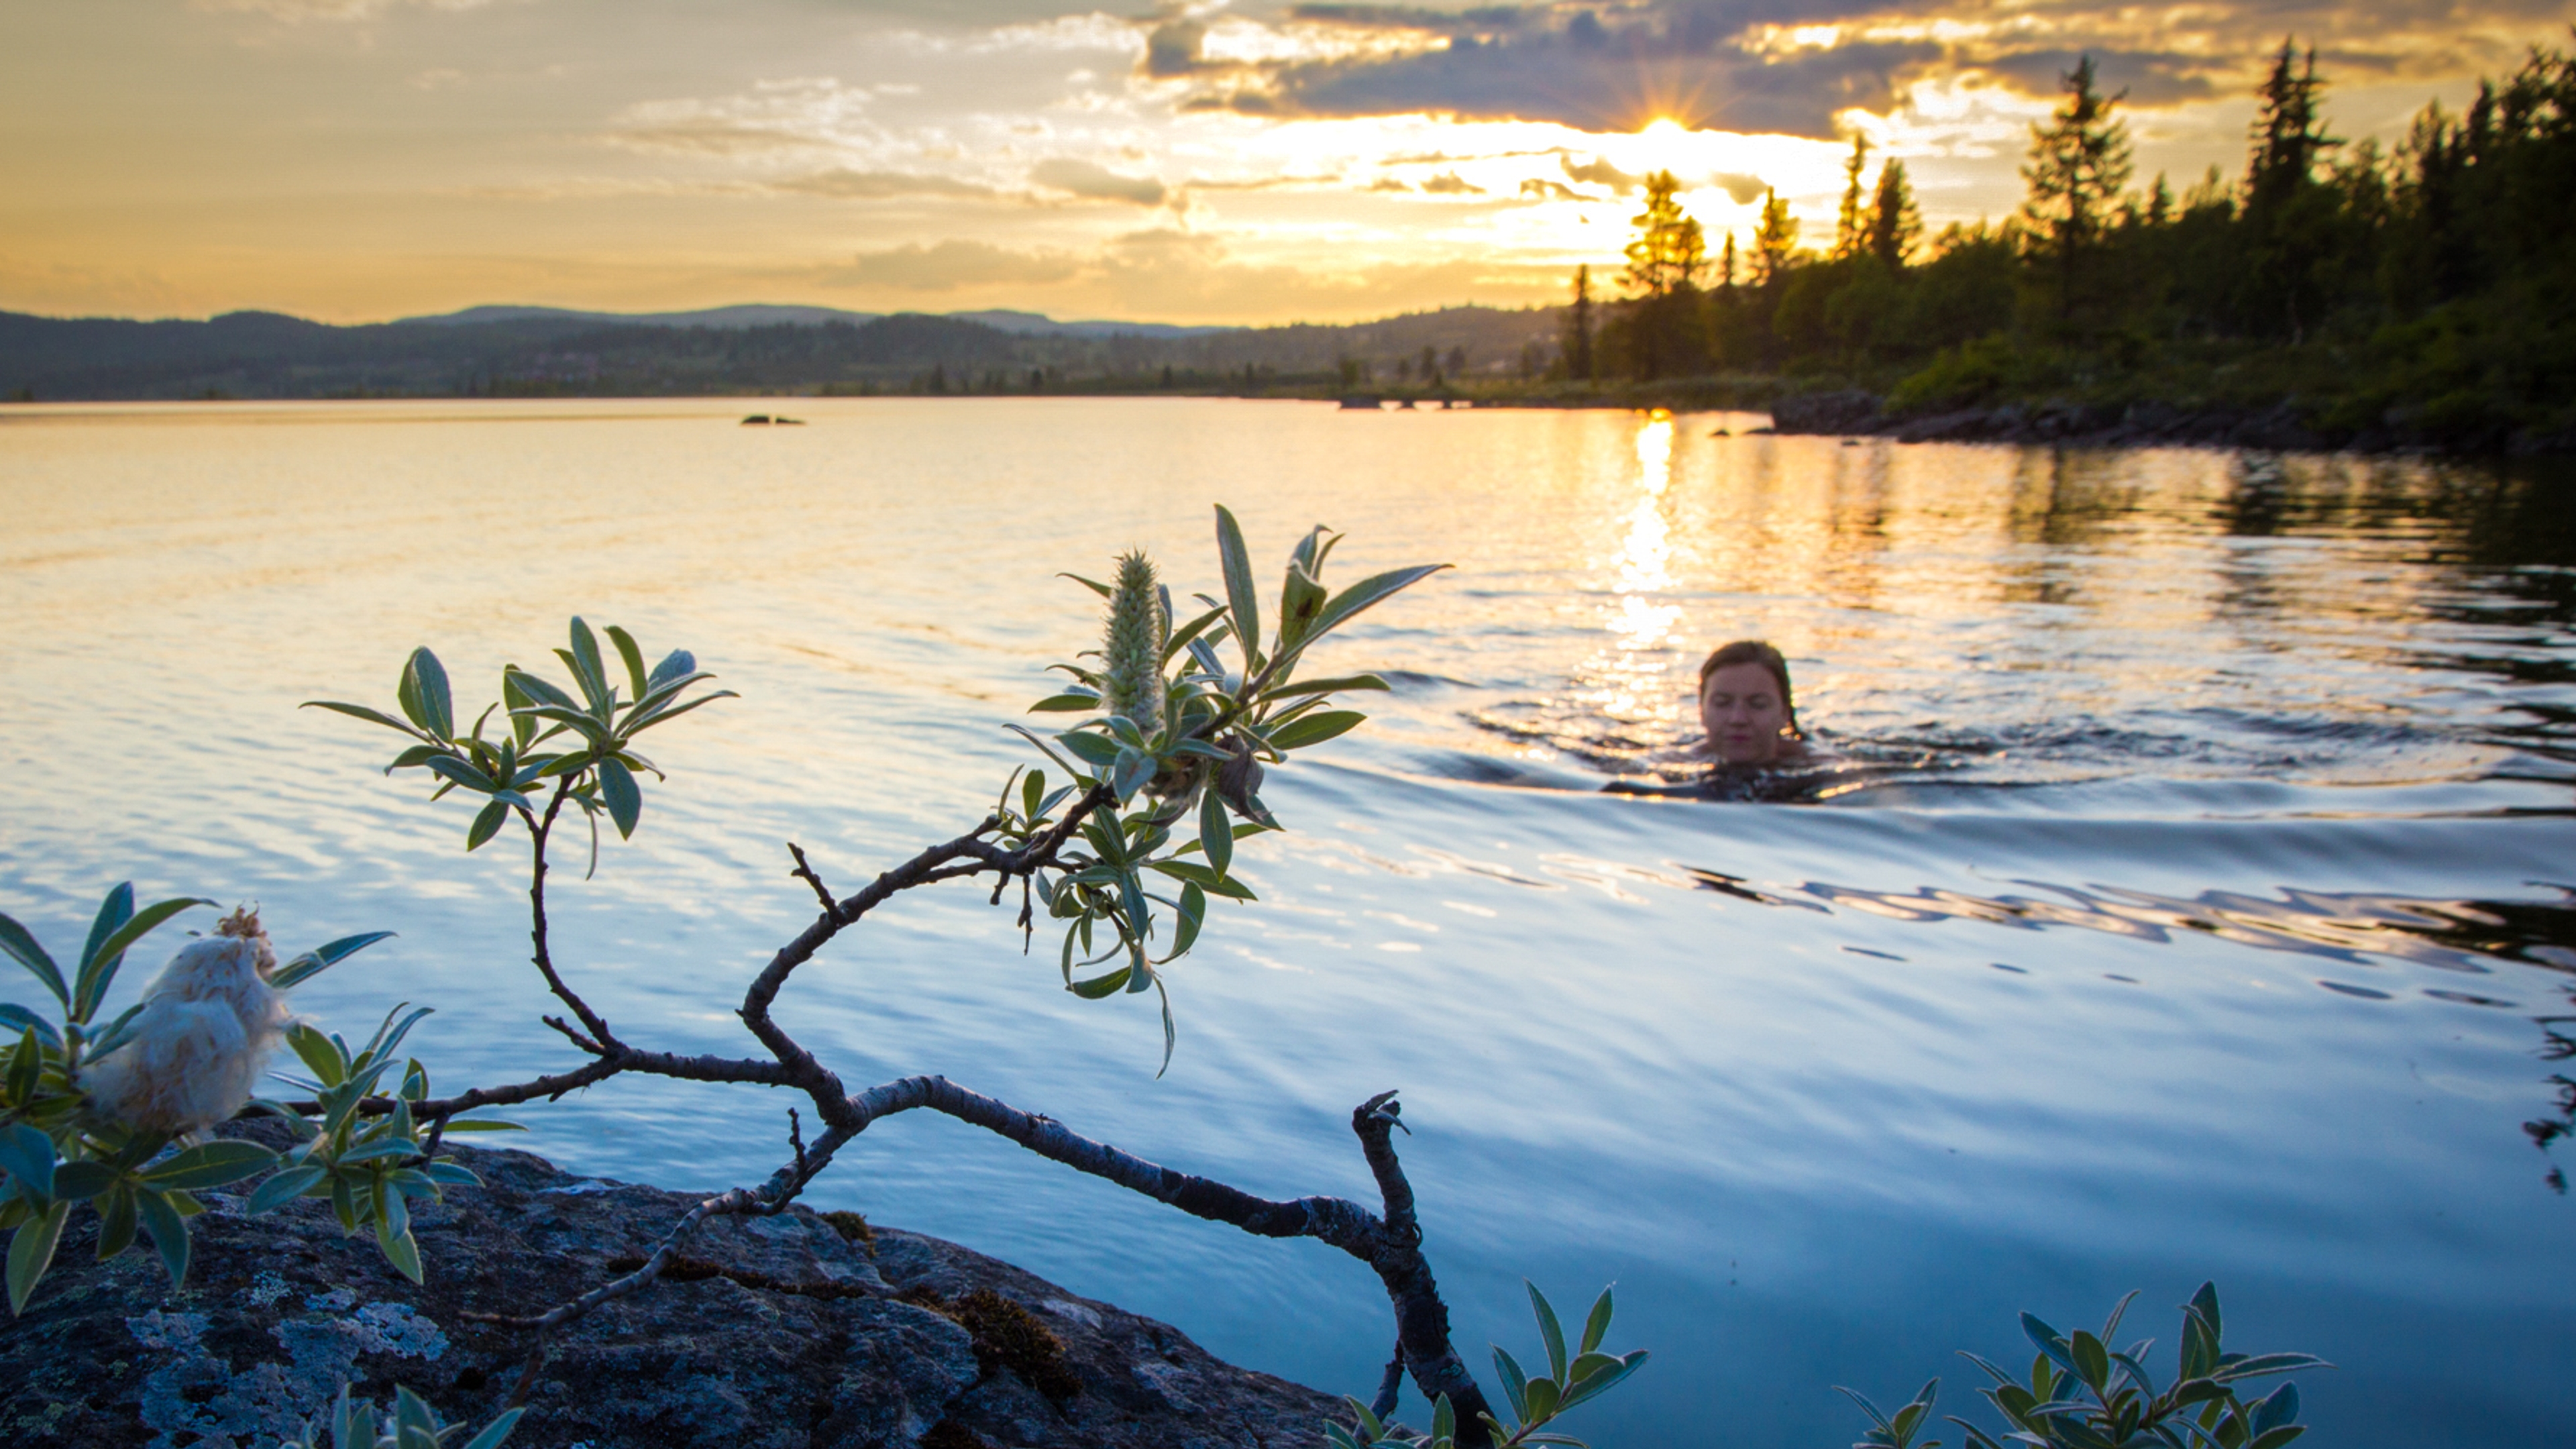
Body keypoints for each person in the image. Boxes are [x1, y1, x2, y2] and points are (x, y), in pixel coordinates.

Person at [1694, 640, 1810, 766]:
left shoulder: (1824, 769)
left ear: (1784, 713)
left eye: (1758, 705)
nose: (1738, 719)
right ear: (1701, 711)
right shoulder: (1676, 764)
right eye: (1722, 703)